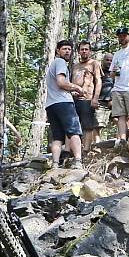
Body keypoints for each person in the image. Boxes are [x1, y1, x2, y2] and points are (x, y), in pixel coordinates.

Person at [44, 40, 85, 169]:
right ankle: (78, 161)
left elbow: (57, 87)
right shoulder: (60, 62)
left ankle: (55, 164)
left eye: (69, 49)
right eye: (64, 49)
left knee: (57, 137)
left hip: (51, 104)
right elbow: (61, 83)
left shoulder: (52, 65)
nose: (67, 51)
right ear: (57, 51)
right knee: (74, 131)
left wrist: (71, 92)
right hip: (63, 104)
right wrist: (77, 87)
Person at [71, 41, 103, 149]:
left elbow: (98, 81)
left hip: (87, 99)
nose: (84, 51)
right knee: (74, 126)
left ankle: (86, 149)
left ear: (90, 51)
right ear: (79, 51)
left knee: (88, 126)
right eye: (82, 49)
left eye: (86, 49)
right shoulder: (75, 66)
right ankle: (75, 150)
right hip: (74, 99)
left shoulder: (94, 63)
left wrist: (95, 98)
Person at [96, 53, 115, 133]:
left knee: (119, 119)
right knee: (97, 124)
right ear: (102, 60)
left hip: (114, 101)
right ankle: (96, 143)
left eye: (111, 60)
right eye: (107, 60)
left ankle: (120, 141)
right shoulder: (98, 71)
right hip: (100, 100)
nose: (109, 62)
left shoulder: (114, 72)